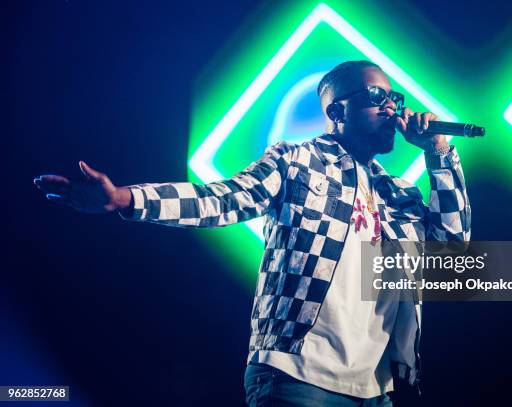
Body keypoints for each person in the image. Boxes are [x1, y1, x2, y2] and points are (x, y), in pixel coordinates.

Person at [34, 60, 471, 406]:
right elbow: (219, 200)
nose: (393, 107)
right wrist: (123, 199)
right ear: (337, 111)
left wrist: (439, 153)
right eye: (378, 97)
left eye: (395, 97)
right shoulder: (297, 162)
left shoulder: (400, 195)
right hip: (297, 378)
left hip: (376, 390)